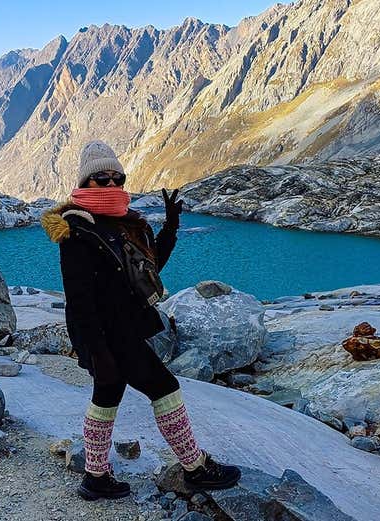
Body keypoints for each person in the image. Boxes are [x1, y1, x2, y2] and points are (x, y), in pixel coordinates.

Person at [41, 140, 241, 501]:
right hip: (108, 335)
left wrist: (170, 228)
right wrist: (96, 351)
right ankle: (195, 468)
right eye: (102, 178)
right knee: (164, 388)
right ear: (85, 183)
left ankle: (96, 477)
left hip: (125, 329)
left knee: (107, 394)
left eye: (117, 178)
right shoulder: (76, 231)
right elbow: (80, 301)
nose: (111, 185)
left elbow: (146, 272)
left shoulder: (124, 224)